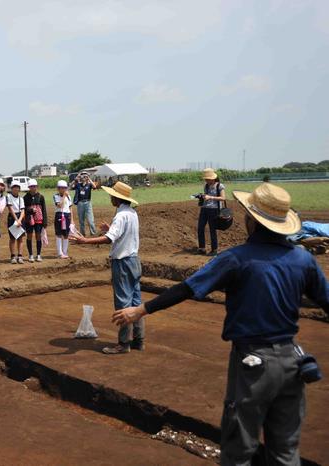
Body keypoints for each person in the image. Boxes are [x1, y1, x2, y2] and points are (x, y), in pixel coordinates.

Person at [112, 183, 329, 465]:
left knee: (239, 451)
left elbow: (187, 289)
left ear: (252, 221)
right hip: (292, 363)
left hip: (253, 364)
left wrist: (140, 310)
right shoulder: (303, 260)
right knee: (285, 453)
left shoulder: (236, 259)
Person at [70, 181, 141, 354]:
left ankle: (123, 344)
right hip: (134, 261)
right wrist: (110, 229)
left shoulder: (120, 216)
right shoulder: (132, 213)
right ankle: (139, 340)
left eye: (112, 196)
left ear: (117, 198)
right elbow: (123, 235)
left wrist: (85, 241)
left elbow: (109, 239)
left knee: (123, 303)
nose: (111, 198)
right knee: (136, 302)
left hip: (122, 262)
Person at [197, 168, 226, 256]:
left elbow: (223, 198)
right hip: (204, 208)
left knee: (212, 229)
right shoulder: (206, 186)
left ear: (213, 178)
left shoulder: (219, 186)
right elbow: (206, 196)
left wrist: (211, 197)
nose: (207, 180)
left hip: (214, 210)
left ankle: (214, 249)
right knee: (200, 227)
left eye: (208, 179)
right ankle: (202, 248)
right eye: (206, 179)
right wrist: (202, 196)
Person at [23, 179, 47, 262]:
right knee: (29, 236)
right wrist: (30, 210)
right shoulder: (25, 197)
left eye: (34, 186)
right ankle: (30, 255)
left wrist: (45, 222)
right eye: (31, 186)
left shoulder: (41, 197)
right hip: (29, 219)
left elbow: (44, 209)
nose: (33, 188)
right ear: (29, 187)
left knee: (38, 236)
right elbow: (24, 209)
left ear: (37, 187)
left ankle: (39, 254)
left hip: (39, 220)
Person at [6, 180, 26, 264]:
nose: (16, 189)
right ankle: (13, 256)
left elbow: (23, 210)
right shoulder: (8, 196)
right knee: (12, 238)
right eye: (14, 187)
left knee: (20, 238)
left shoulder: (21, 198)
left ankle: (20, 256)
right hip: (12, 217)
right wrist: (16, 220)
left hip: (20, 218)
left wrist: (20, 220)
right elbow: (10, 209)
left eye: (17, 187)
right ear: (11, 188)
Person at [54, 180, 74, 259]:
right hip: (59, 215)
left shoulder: (69, 197)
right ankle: (60, 253)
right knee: (59, 234)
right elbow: (59, 205)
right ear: (58, 189)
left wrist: (72, 220)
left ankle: (65, 252)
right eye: (61, 188)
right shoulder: (56, 196)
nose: (63, 189)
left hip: (67, 215)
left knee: (66, 234)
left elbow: (70, 208)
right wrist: (64, 196)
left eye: (64, 188)